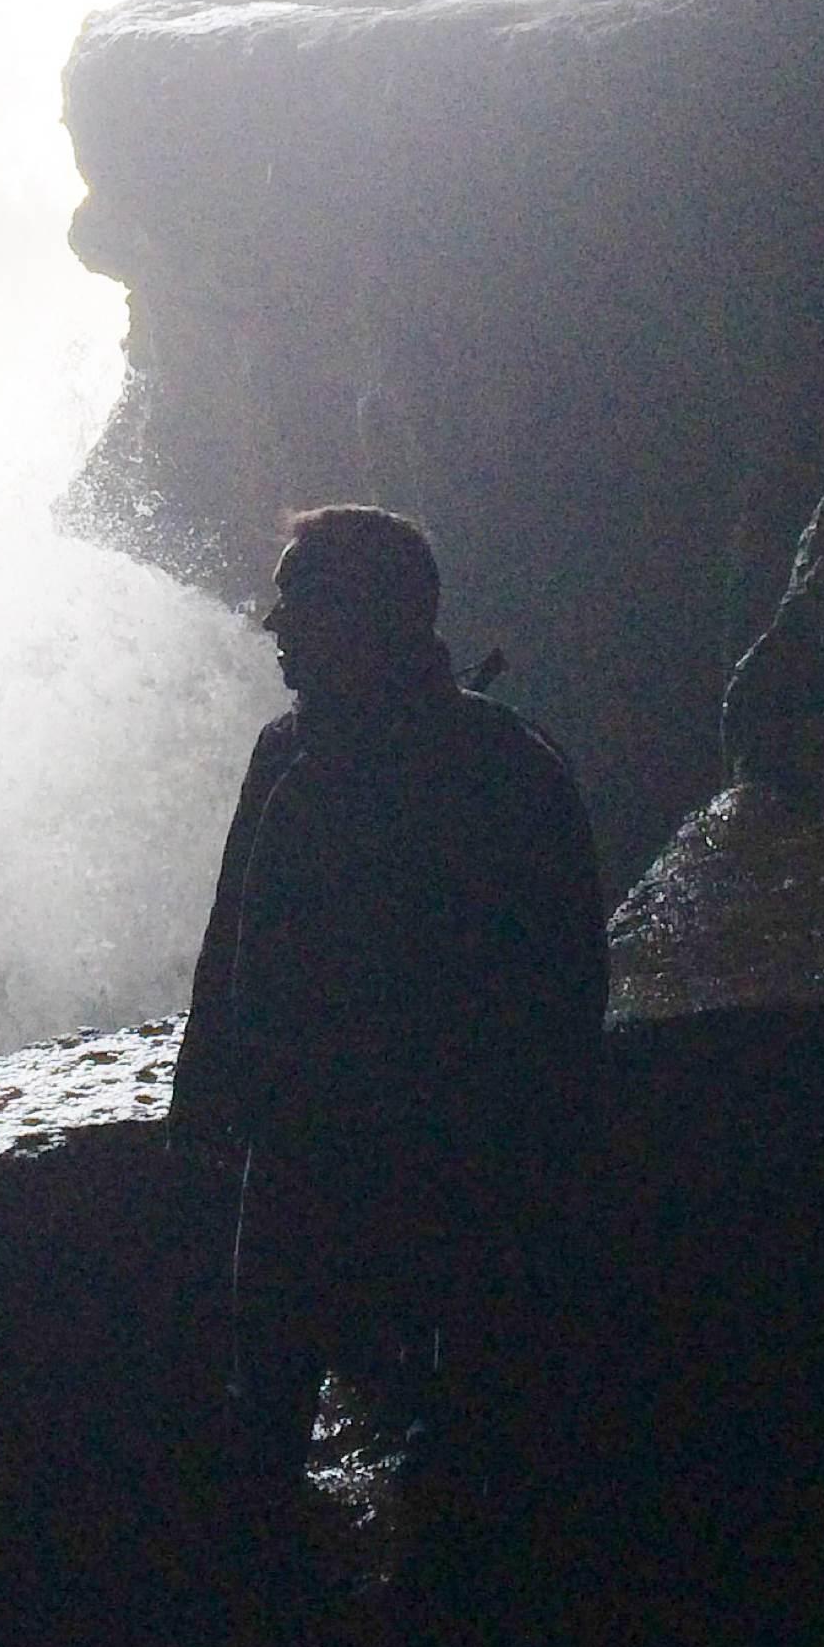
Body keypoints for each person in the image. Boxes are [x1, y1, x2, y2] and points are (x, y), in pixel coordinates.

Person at [170, 504, 607, 1534]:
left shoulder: (496, 769)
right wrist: (208, 1094)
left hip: (429, 1155)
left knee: (437, 1415)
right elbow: (234, 938)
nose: (271, 623)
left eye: (298, 598)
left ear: (367, 614)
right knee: (279, 1393)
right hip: (308, 1147)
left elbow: (555, 983)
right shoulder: (294, 752)